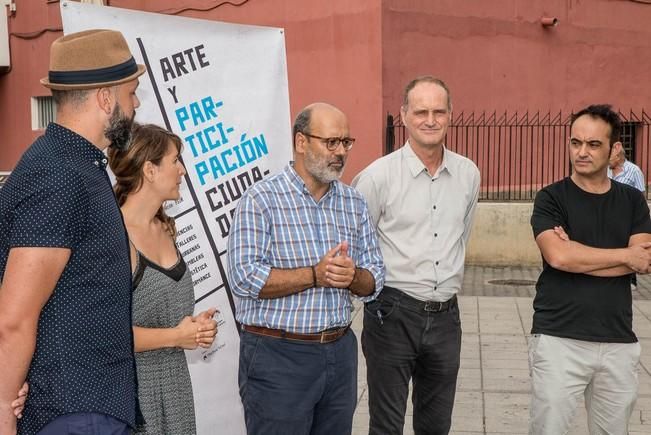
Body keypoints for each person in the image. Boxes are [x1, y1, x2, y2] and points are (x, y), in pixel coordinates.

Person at [0, 29, 145, 435]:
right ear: (105, 98)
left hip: (88, 407)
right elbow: (14, 316)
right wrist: (3, 414)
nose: (135, 105)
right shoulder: (59, 175)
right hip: (72, 412)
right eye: (131, 93)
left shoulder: (78, 166)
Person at [228, 102, 385, 435]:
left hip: (339, 353)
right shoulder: (261, 200)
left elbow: (375, 277)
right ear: (301, 142)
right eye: (331, 142)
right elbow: (244, 278)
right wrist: (315, 275)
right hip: (278, 356)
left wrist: (353, 277)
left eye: (346, 142)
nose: (341, 152)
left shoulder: (353, 202)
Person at [352, 76, 480, 435]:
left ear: (451, 115)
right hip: (392, 313)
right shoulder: (377, 177)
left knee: (436, 426)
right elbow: (360, 244)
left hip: (446, 318)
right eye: (421, 111)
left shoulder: (468, 174)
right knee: (386, 426)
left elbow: (461, 235)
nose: (430, 119)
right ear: (404, 115)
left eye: (439, 111)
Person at [529, 104, 651, 434]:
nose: (581, 152)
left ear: (614, 150)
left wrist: (579, 254)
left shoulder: (633, 201)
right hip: (558, 339)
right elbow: (559, 258)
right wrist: (623, 256)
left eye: (593, 144)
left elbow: (643, 261)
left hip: (618, 342)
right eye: (575, 143)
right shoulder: (550, 198)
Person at [107, 123, 218, 434]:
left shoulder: (166, 227)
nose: (182, 170)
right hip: (134, 396)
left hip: (175, 389)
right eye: (175, 160)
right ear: (150, 170)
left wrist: (193, 328)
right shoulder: (115, 237)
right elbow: (105, 332)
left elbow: (158, 311)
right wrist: (175, 336)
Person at [608, 140, 646, 289]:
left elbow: (641, 195)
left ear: (618, 155)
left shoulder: (634, 171)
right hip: (609, 214)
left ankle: (631, 280)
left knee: (629, 246)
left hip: (628, 216)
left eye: (610, 156)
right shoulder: (607, 171)